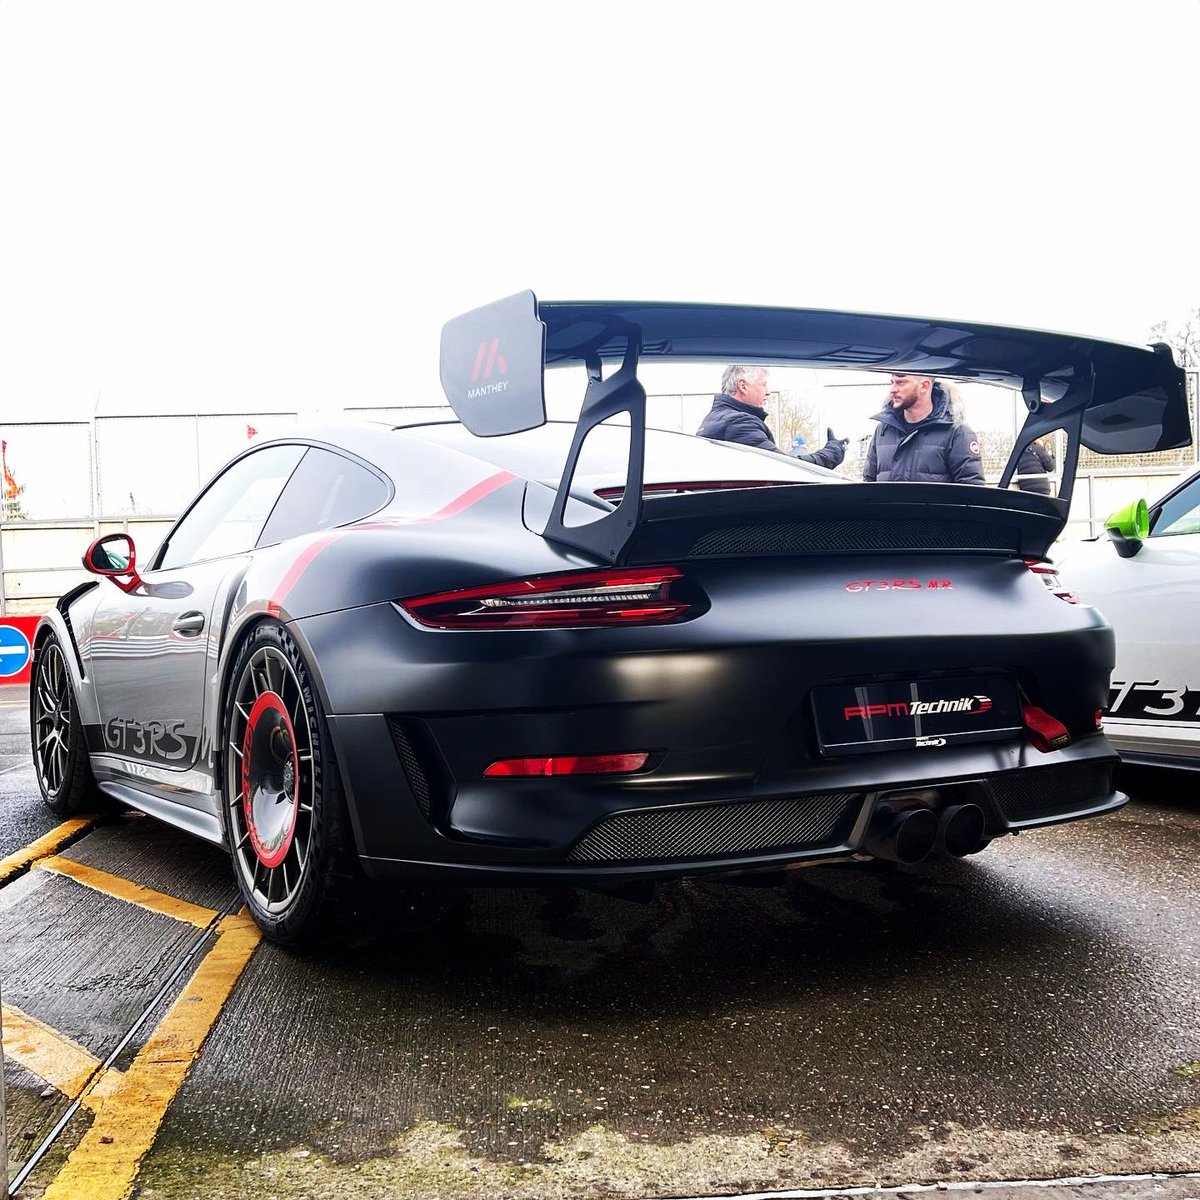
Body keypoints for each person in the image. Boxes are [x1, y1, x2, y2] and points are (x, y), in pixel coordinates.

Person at [697, 365, 847, 469]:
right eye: (763, 385)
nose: (768, 392)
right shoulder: (739, 424)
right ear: (743, 386)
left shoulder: (716, 418)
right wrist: (833, 453)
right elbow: (788, 468)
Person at [863, 373, 985, 484]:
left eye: (901, 382)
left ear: (924, 386)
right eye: (892, 382)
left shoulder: (957, 431)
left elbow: (972, 492)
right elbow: (869, 484)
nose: (893, 390)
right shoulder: (883, 430)